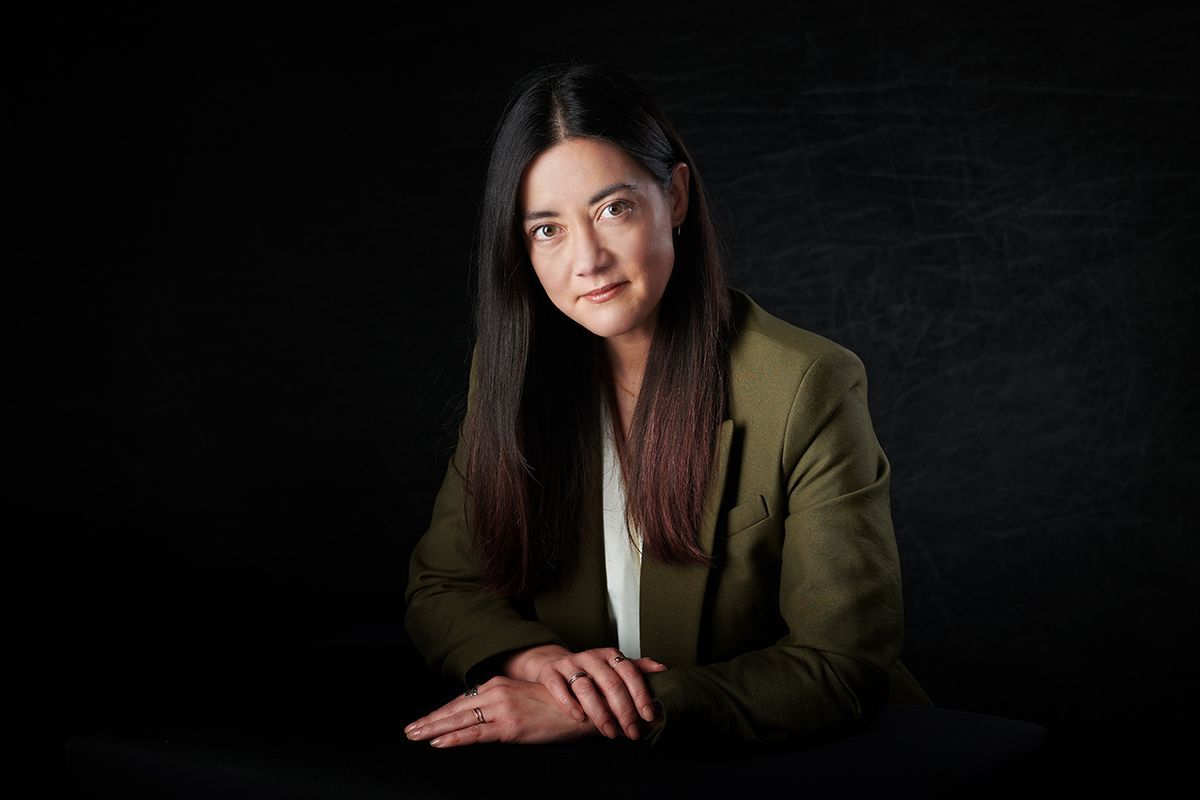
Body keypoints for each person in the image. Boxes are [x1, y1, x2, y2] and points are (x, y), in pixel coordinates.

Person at [402, 60, 931, 750]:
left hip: (800, 759)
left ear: (675, 198)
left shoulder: (808, 385)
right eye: (547, 230)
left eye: (612, 209)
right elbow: (442, 585)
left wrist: (610, 710)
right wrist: (546, 666)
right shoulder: (512, 376)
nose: (587, 260)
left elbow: (843, 665)